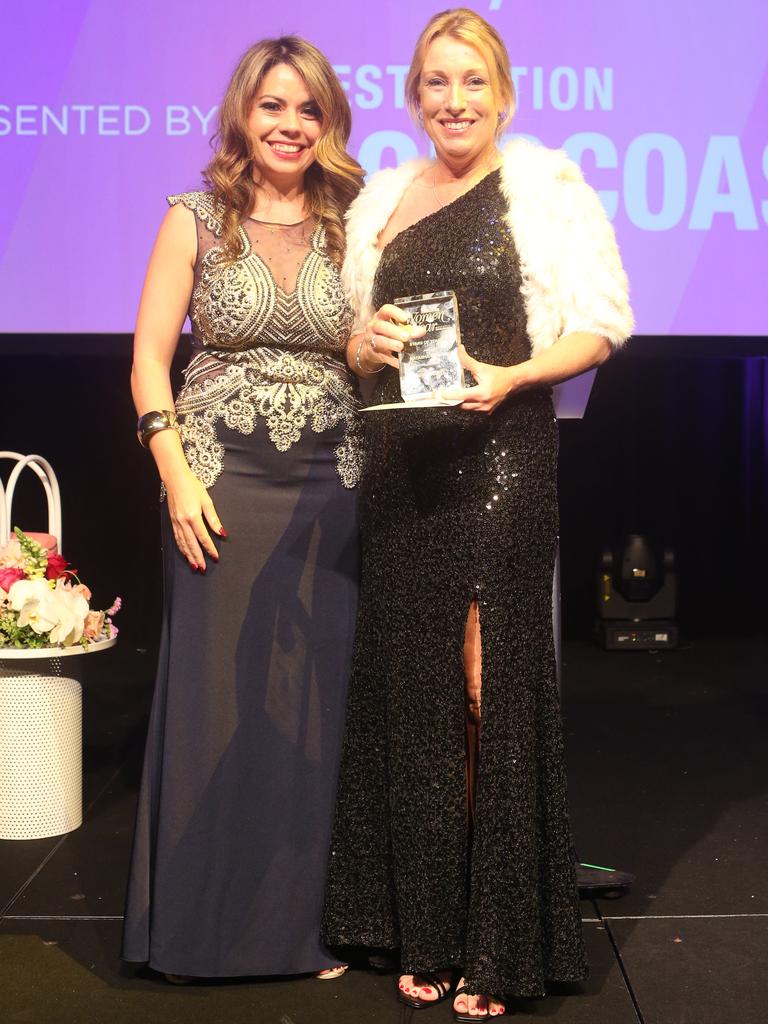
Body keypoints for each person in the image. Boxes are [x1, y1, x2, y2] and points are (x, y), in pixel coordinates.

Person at [321, 8, 633, 1020]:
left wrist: (514, 375)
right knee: (414, 693)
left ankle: (499, 941)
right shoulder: (381, 200)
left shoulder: (544, 188)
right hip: (406, 466)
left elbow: (599, 326)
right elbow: (354, 334)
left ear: (502, 92)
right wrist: (360, 340)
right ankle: (428, 927)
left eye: (472, 82)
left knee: (481, 678)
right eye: (436, 83)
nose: (454, 101)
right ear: (413, 97)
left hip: (503, 458)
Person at [122, 36, 363, 981]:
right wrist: (176, 477)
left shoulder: (355, 222)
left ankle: (300, 928)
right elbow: (148, 358)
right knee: (221, 701)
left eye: (308, 109)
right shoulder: (194, 216)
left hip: (330, 490)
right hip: (218, 485)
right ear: (242, 114)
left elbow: (359, 350)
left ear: (329, 121)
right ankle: (199, 931)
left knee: (310, 705)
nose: (290, 125)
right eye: (272, 107)